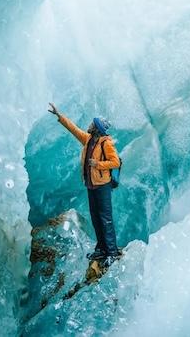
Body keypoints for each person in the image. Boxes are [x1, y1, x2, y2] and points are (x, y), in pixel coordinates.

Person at [48, 102, 120, 267]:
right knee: (96, 218)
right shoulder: (89, 140)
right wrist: (60, 116)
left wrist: (98, 164)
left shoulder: (105, 143)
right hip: (91, 184)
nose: (89, 124)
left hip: (102, 185)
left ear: (96, 127)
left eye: (92, 123)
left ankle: (112, 253)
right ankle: (101, 249)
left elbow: (115, 161)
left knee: (105, 219)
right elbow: (74, 130)